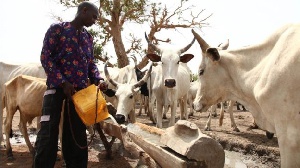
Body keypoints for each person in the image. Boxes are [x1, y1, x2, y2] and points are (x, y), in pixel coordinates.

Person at [33, 2, 108, 168]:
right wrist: (62, 82)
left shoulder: (88, 38)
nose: (95, 20)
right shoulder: (57, 29)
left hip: (79, 94)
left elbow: (90, 64)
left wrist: (98, 79)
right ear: (84, 10)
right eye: (94, 16)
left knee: (77, 134)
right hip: (55, 90)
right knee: (48, 133)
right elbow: (46, 57)